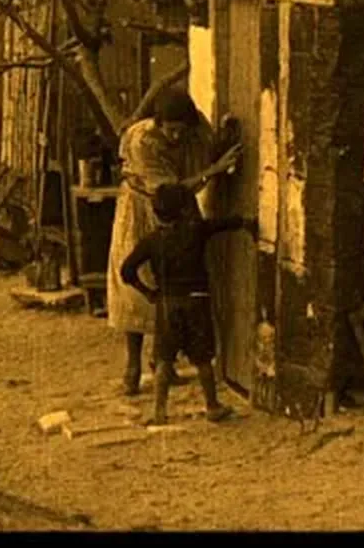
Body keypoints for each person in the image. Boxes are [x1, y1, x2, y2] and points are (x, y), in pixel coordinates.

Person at [105, 87, 242, 396]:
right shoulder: (143, 141)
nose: (177, 137)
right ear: (158, 123)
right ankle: (132, 368)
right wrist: (215, 170)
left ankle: (161, 361)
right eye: (171, 131)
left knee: (175, 280)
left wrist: (225, 138)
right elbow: (170, 191)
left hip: (179, 208)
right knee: (139, 282)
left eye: (182, 131)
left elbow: (207, 150)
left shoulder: (196, 129)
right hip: (143, 205)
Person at [120, 183, 258, 424]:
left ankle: (159, 411)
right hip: (197, 301)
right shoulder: (195, 230)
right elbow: (223, 224)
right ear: (184, 210)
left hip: (167, 304)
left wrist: (148, 292)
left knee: (163, 359)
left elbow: (127, 270)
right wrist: (246, 223)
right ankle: (212, 405)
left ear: (155, 212)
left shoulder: (151, 241)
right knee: (203, 359)